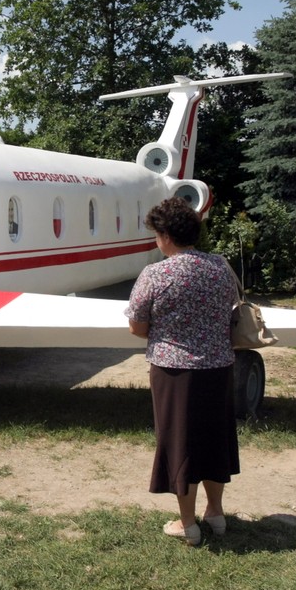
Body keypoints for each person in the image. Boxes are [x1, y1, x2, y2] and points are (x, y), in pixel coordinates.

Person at [124, 197, 239, 546]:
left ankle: (187, 523)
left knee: (180, 444)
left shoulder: (157, 274)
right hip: (219, 366)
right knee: (214, 439)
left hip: (174, 372)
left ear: (166, 236)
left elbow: (137, 326)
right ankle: (215, 513)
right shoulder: (220, 267)